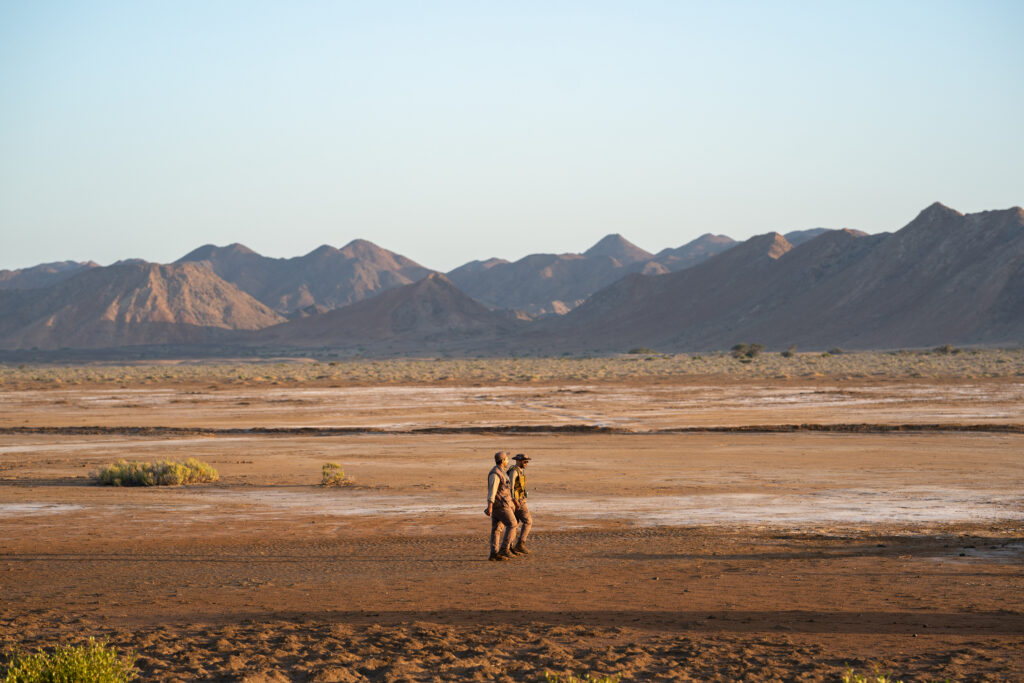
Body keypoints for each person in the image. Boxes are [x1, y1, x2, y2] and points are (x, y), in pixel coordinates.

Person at [485, 451, 517, 561]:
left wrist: (512, 503)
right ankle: (504, 549)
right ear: (502, 461)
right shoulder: (495, 474)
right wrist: (489, 506)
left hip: (502, 504)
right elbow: (492, 491)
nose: (508, 461)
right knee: (513, 524)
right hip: (501, 506)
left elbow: (505, 490)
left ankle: (494, 554)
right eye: (507, 459)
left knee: (497, 529)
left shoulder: (501, 472)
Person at [506, 453, 532, 555]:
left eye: (527, 461)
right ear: (518, 461)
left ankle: (510, 547)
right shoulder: (514, 471)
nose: (526, 463)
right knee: (528, 521)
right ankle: (520, 544)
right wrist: (514, 500)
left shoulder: (520, 471)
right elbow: (511, 487)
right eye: (524, 461)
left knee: (515, 525)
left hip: (519, 500)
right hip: (518, 501)